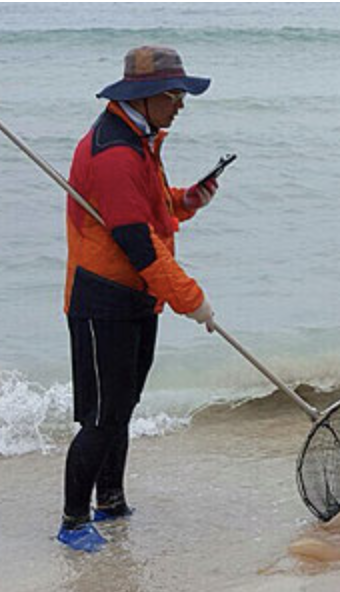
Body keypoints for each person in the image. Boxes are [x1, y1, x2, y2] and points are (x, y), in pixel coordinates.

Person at [56, 46, 220, 553]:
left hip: (138, 297)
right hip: (102, 298)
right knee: (101, 417)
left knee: (123, 407)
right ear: (145, 96)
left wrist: (186, 200)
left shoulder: (140, 138)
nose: (181, 105)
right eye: (174, 95)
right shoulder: (114, 153)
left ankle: (111, 501)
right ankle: (73, 522)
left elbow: (148, 208)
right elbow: (136, 242)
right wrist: (192, 300)